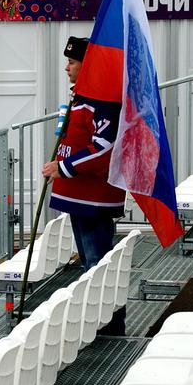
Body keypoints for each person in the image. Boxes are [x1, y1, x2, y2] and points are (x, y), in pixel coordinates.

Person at [41, 36, 127, 336]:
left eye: (72, 62)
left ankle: (108, 329)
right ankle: (98, 325)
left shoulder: (101, 100)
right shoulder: (83, 96)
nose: (67, 68)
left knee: (98, 267)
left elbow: (105, 147)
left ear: (87, 65)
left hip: (95, 199)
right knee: (90, 266)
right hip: (80, 196)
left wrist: (63, 167)